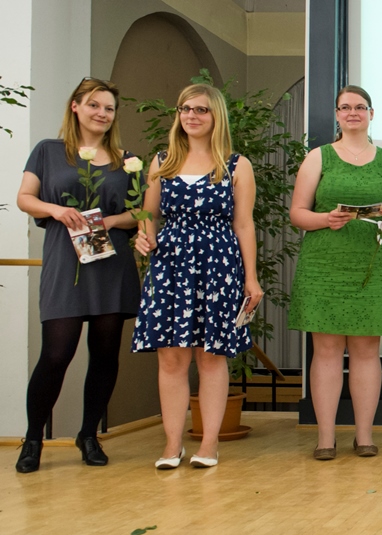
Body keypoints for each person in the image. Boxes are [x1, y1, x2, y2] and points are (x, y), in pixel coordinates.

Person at [133, 83, 263, 469]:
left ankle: (209, 443)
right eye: (185, 108)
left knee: (211, 356)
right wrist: (144, 235)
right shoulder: (162, 161)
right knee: (171, 358)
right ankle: (172, 445)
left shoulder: (236, 165)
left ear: (215, 115)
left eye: (201, 109)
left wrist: (251, 278)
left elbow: (244, 224)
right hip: (170, 265)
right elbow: (148, 214)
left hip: (218, 264)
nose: (192, 115)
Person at [14, 78, 141, 473]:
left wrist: (112, 220)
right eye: (94, 105)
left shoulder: (126, 160)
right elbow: (24, 198)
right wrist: (56, 210)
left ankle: (88, 435)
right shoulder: (48, 151)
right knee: (56, 354)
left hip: (110, 264)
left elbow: (141, 212)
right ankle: (32, 439)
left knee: (104, 355)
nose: (102, 113)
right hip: (64, 263)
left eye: (109, 108)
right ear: (75, 106)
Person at [289, 85, 382, 460]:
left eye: (360, 106)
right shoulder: (317, 157)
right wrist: (326, 219)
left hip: (372, 264)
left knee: (366, 350)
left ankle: (364, 436)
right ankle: (325, 438)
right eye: (345, 107)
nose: (352, 112)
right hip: (325, 264)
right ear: (337, 114)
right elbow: (297, 214)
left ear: (371, 113)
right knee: (325, 351)